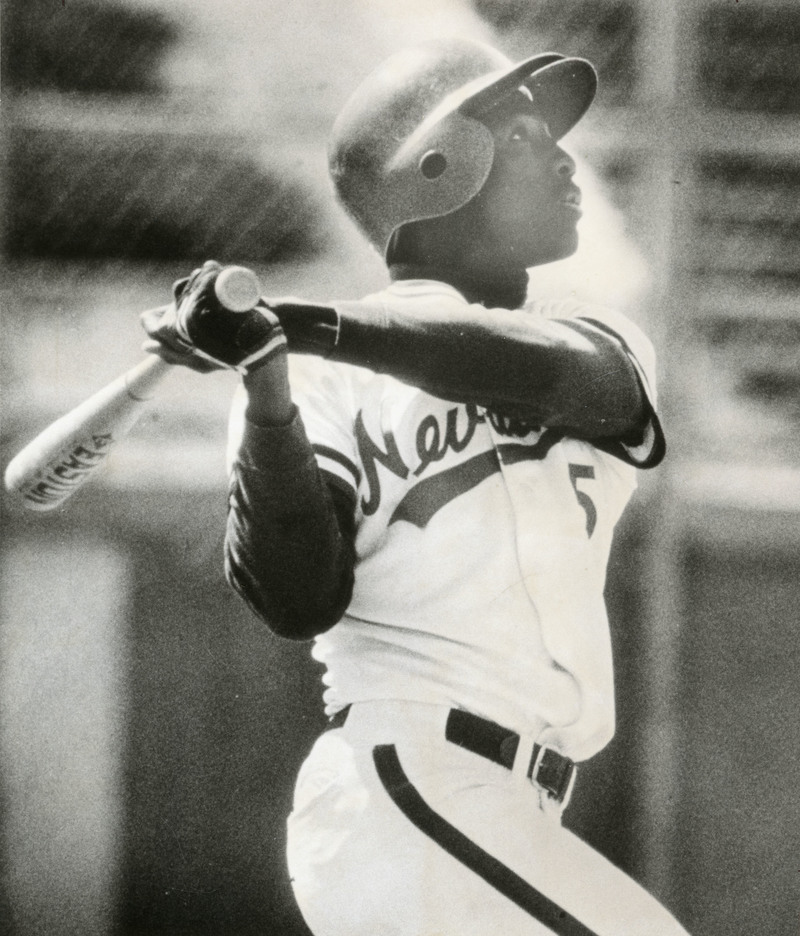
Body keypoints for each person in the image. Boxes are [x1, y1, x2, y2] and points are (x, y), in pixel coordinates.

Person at [143, 36, 689, 936]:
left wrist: (303, 323)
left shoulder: (583, 330)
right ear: (439, 165)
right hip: (406, 788)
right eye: (523, 138)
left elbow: (576, 384)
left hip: (506, 811)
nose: (564, 158)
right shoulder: (316, 381)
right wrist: (267, 377)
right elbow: (296, 595)